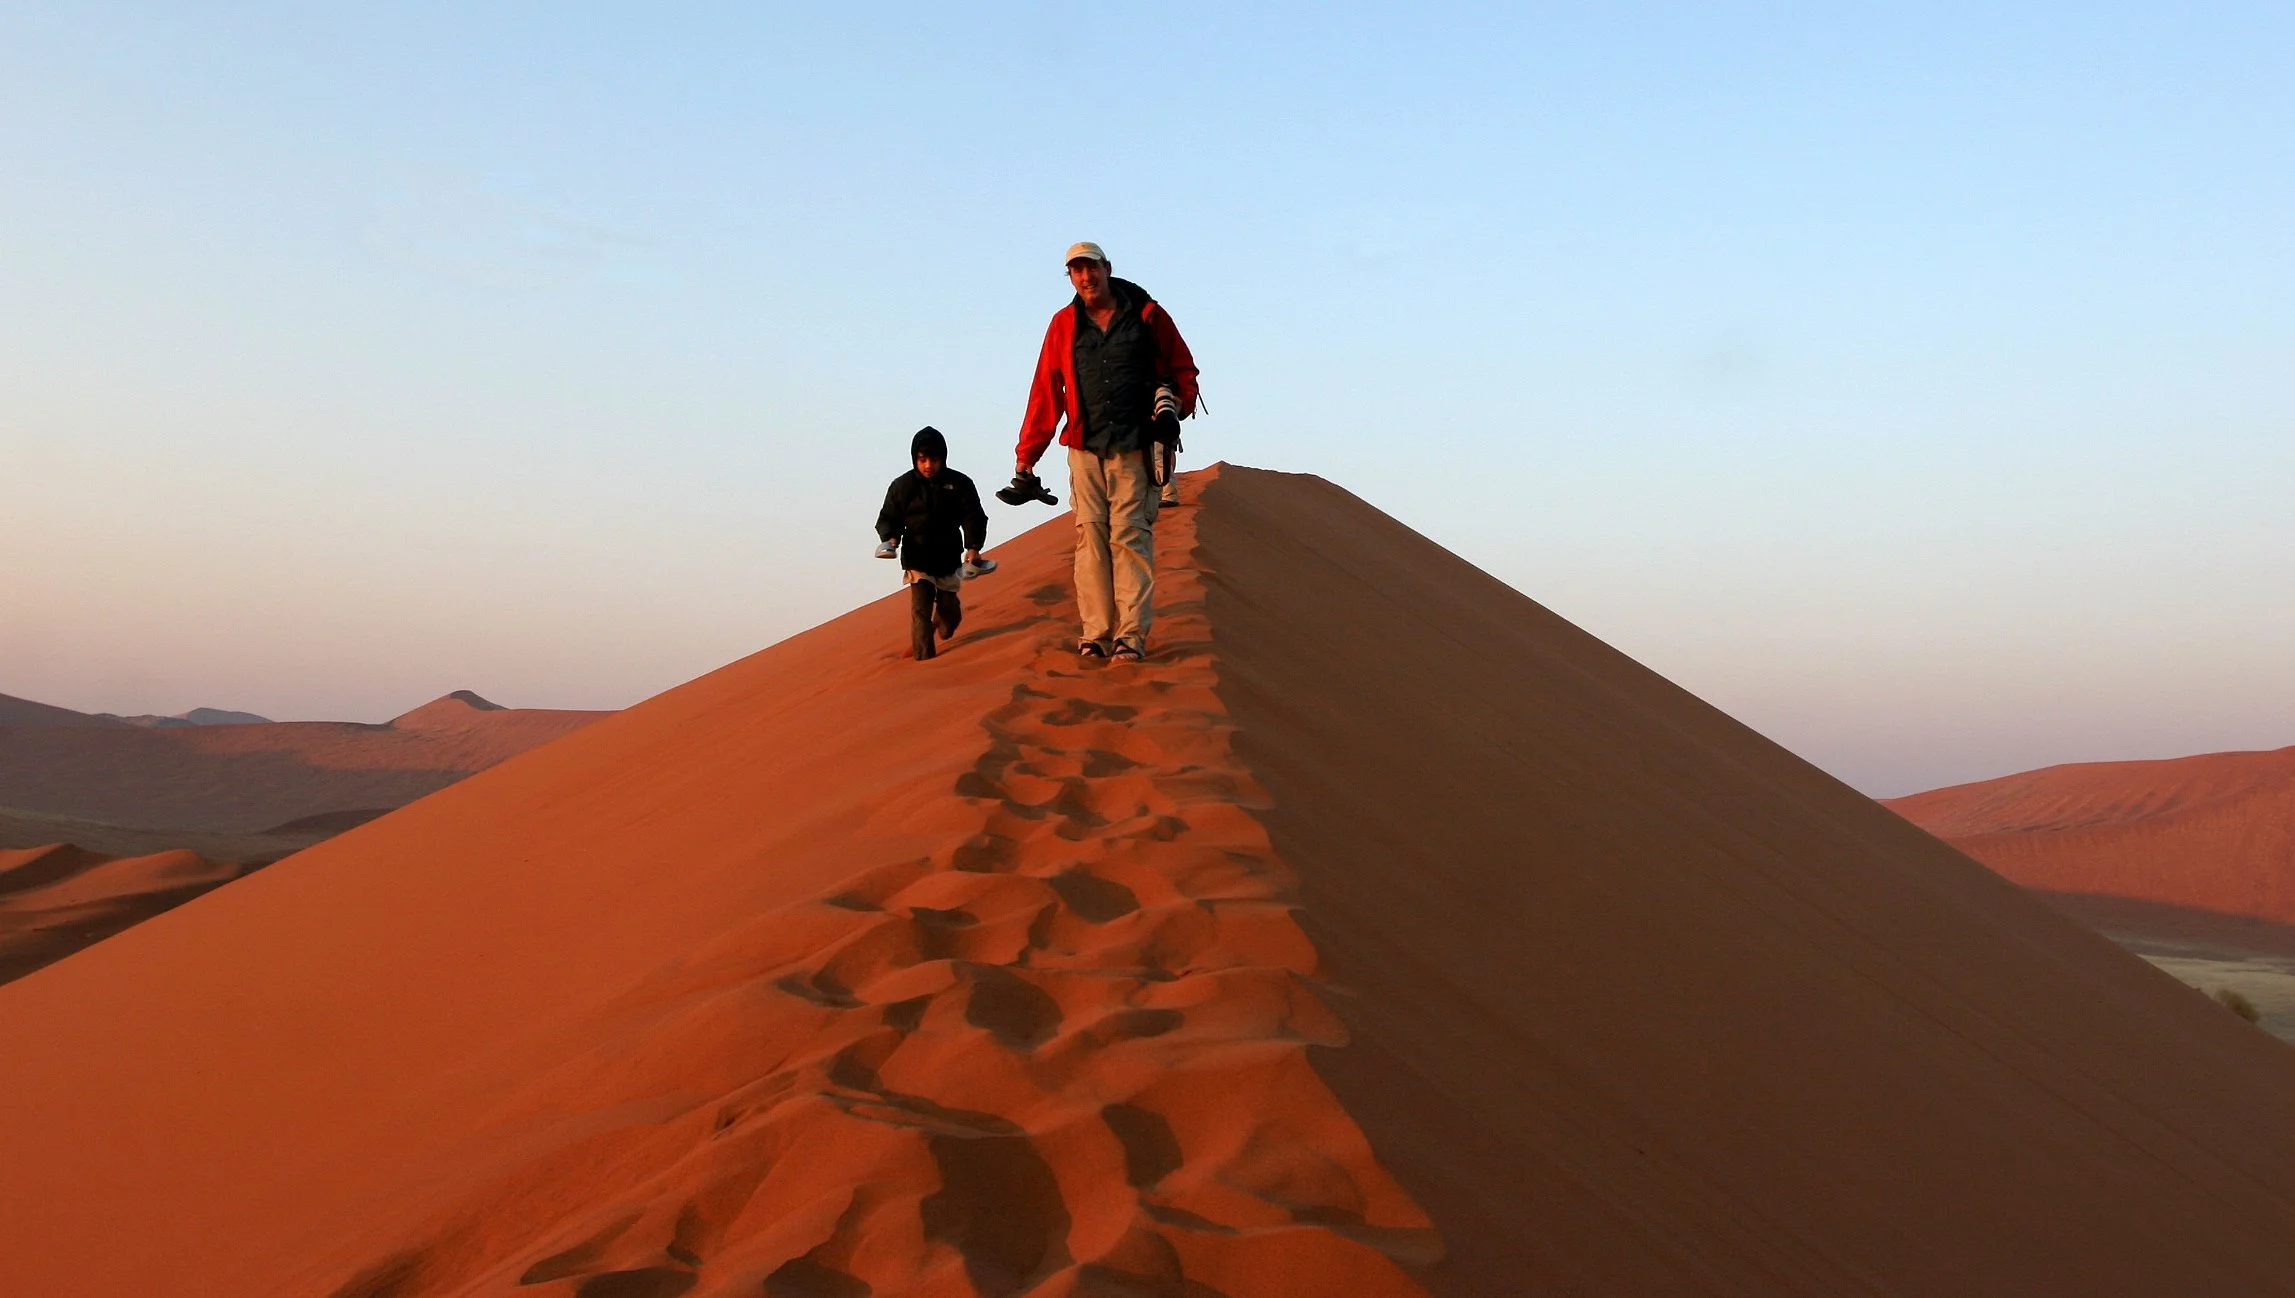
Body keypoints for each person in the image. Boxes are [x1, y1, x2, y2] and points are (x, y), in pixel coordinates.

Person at [1013, 241, 1199, 661]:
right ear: (1071, 278)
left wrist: (1177, 409)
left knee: (1130, 536)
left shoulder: (1148, 315)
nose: (1085, 277)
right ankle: (1095, 634)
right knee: (1090, 538)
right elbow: (1046, 391)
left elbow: (1184, 367)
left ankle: (1130, 636)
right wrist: (1027, 454)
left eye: (1091, 268)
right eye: (1076, 272)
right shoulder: (1064, 325)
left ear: (1107, 269)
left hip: (1135, 446)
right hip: (1085, 446)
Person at [875, 426, 993, 661]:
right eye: (922, 460)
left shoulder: (960, 483)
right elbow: (890, 517)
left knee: (949, 614)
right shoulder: (903, 486)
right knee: (920, 610)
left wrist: (973, 547)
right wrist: (891, 538)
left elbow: (973, 516)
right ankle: (924, 662)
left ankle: (944, 622)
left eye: (934, 459)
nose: (928, 465)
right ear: (915, 460)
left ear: (943, 459)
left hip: (948, 556)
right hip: (917, 556)